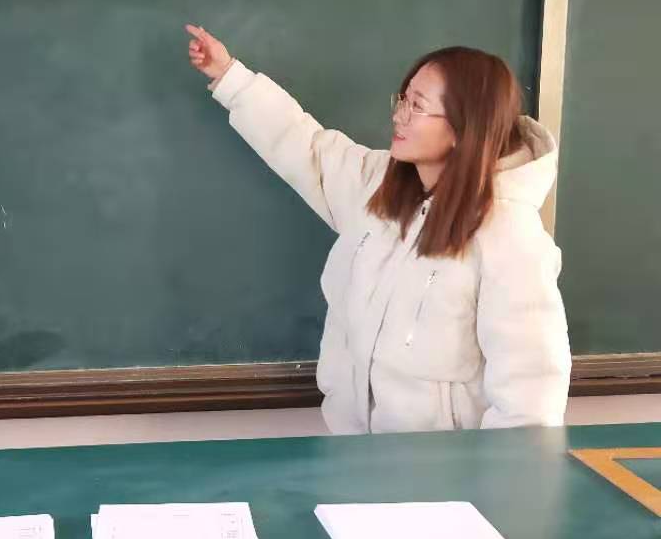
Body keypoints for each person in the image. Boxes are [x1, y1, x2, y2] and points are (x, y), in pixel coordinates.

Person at [186, 24, 571, 435]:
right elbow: (305, 146)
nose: (398, 115)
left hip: (444, 470)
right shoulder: (379, 189)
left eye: (417, 106)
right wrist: (230, 76)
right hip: (352, 453)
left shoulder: (509, 237)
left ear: (464, 127)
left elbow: (531, 393)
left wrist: (498, 473)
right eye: (403, 99)